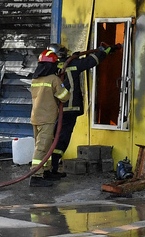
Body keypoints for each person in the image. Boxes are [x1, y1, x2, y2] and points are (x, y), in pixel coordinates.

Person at [46, 42, 118, 180]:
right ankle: (52, 168)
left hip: (54, 109)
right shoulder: (73, 64)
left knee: (53, 137)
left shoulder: (50, 67)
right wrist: (105, 51)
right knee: (61, 139)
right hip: (69, 108)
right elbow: (92, 61)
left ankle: (49, 167)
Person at [29, 48, 70, 187]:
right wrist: (61, 83)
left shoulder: (35, 78)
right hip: (47, 118)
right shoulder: (54, 79)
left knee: (43, 146)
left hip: (36, 117)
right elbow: (64, 97)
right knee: (42, 148)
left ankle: (45, 171)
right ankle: (36, 176)